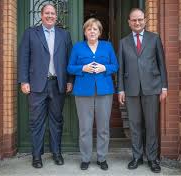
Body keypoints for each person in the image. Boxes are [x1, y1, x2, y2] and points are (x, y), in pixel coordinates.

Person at [18, 4, 73, 168]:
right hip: (36, 85)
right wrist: (24, 80)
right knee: (36, 121)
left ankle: (57, 153)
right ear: (41, 15)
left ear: (57, 17)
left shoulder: (64, 34)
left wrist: (70, 80)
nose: (50, 16)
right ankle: (36, 156)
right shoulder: (30, 33)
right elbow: (23, 58)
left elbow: (70, 59)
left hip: (58, 83)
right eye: (47, 13)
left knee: (57, 120)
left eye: (53, 13)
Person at [117, 8, 168, 173]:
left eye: (140, 19)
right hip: (131, 89)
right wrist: (121, 90)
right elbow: (121, 68)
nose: (137, 23)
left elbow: (162, 64)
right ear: (129, 22)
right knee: (134, 124)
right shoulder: (123, 42)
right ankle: (137, 156)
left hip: (152, 88)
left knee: (152, 125)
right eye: (134, 20)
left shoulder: (154, 39)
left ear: (145, 20)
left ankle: (152, 158)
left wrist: (164, 86)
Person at [67, 18, 118, 171]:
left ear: (100, 32)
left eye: (95, 29)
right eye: (89, 29)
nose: (92, 31)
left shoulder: (107, 46)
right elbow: (70, 68)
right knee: (85, 127)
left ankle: (102, 157)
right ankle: (85, 158)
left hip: (104, 91)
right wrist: (83, 68)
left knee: (103, 127)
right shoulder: (78, 47)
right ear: (85, 32)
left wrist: (104, 68)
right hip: (83, 91)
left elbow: (115, 66)